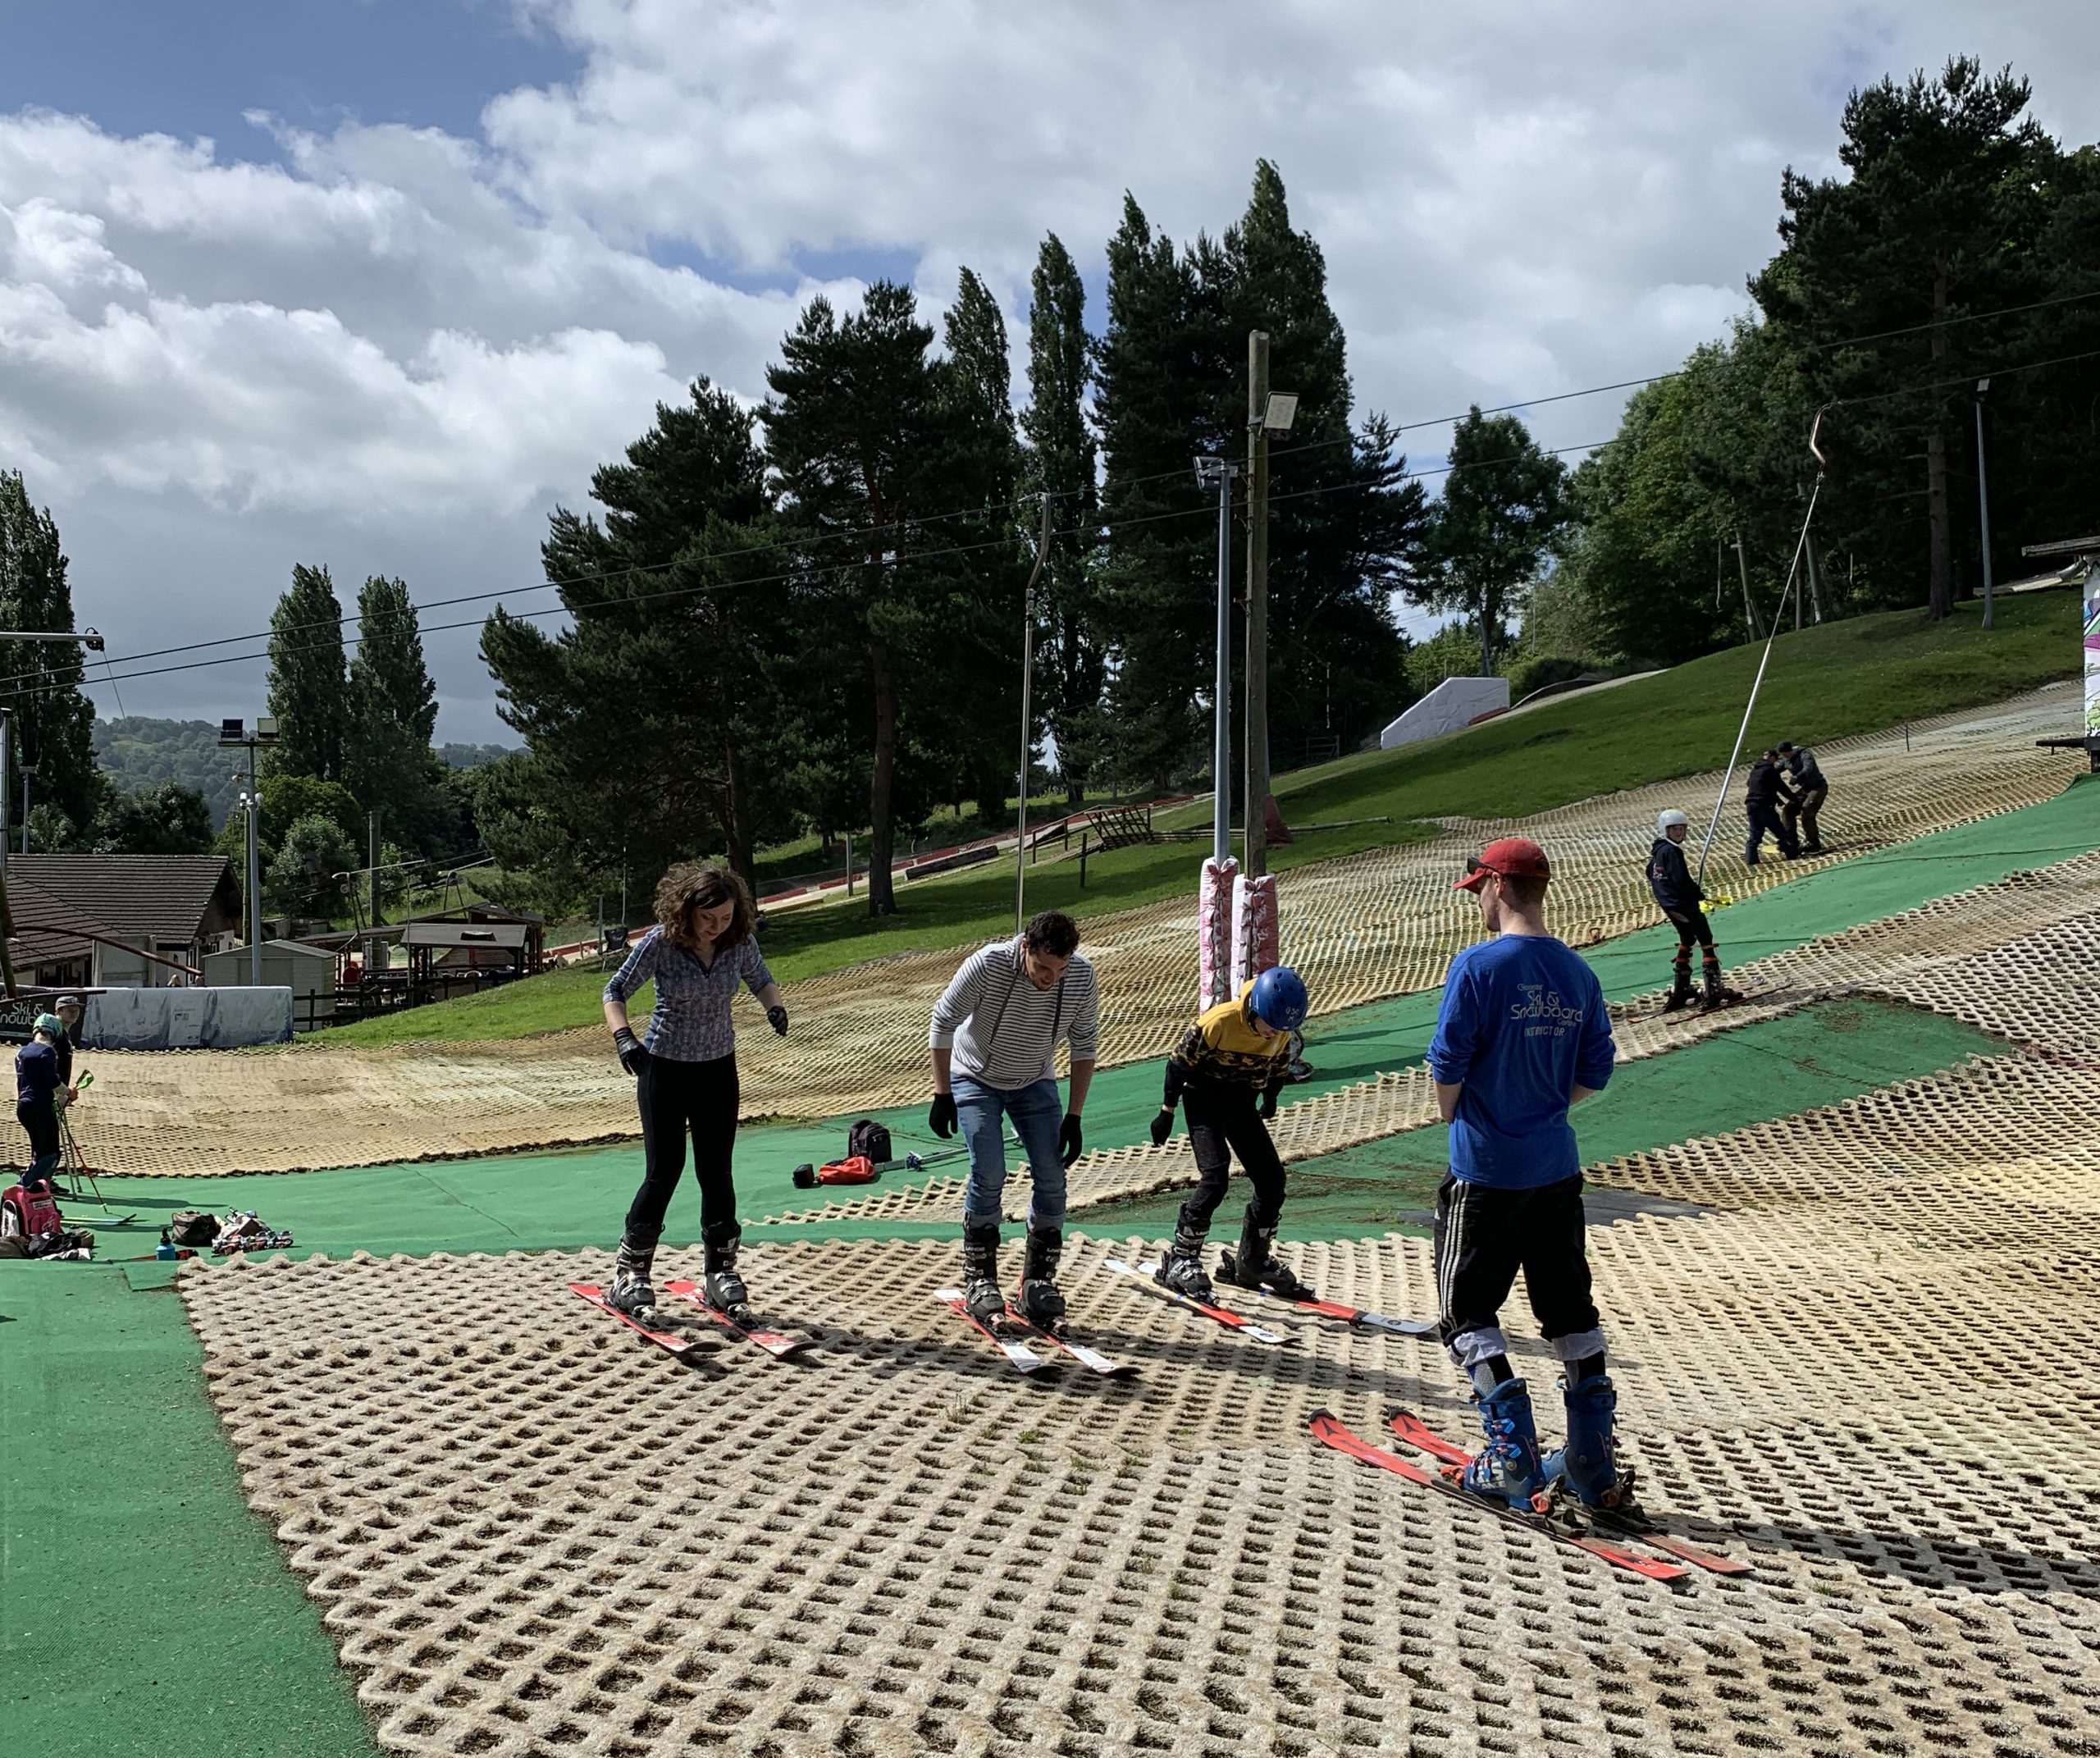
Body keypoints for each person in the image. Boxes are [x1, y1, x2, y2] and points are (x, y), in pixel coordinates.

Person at [1427, 837, 1625, 1511]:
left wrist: (1468, 1117)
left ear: (1498, 887)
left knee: (1466, 1312)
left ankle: (1513, 1459)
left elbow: (1447, 1064)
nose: (1476, 898)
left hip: (1485, 1171)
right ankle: (1593, 1464)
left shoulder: (1478, 966)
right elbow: (1595, 1070)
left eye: (1478, 887)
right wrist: (1540, 1108)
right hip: (1554, 1168)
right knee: (1569, 1308)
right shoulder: (1578, 972)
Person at [601, 864, 789, 1322]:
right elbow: (616, 989)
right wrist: (625, 1036)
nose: (716, 926)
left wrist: (775, 1006)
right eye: (708, 919)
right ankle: (630, 1274)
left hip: (717, 1068)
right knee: (665, 1169)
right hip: (664, 1067)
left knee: (716, 1170)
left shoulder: (738, 941)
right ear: (687, 912)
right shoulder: (663, 944)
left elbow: (760, 978)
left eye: (724, 917)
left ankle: (720, 1273)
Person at [929, 910, 1099, 1330]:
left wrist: (1074, 1115)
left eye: (1059, 969)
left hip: (1033, 1078)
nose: (1050, 978)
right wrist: (942, 1094)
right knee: (989, 1171)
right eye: (1042, 966)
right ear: (1025, 948)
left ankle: (1037, 1281)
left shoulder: (1079, 978)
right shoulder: (988, 965)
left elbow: (1084, 1046)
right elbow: (943, 1021)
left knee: (1052, 1175)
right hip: (975, 1076)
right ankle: (980, 1278)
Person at [1148, 966, 1316, 1302]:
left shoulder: (1278, 1030)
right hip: (1203, 1100)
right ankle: (1182, 1258)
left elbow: (1279, 1065)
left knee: (1272, 1181)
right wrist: (1167, 1111)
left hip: (1241, 1102)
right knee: (1215, 1178)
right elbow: (1178, 1064)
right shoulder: (1219, 1021)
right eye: (1270, 1027)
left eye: (1283, 1029)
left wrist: (1270, 1098)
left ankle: (1252, 1260)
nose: (1274, 1034)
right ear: (1255, 1010)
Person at [1646, 811, 1733, 1011]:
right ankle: (1714, 991)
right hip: (1682, 903)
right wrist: (1697, 894)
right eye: (1674, 829)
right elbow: (1681, 880)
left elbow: (1650, 872)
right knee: (1705, 939)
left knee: (1687, 938)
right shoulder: (1673, 852)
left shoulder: (1658, 851)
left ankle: (1681, 990)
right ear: (1664, 830)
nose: (1678, 832)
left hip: (1669, 904)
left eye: (1681, 829)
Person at [16, 1014, 73, 1193]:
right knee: (51, 1154)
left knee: (40, 1153)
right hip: (40, 1107)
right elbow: (53, 1082)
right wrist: (69, 1092)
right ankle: (24, 1190)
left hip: (24, 1107)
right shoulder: (48, 1052)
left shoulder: (22, 1052)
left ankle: (36, 1195)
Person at [1743, 748, 1800, 865]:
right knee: (1779, 831)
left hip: (1751, 804)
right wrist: (1794, 799)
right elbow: (1781, 787)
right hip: (1764, 805)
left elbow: (1754, 785)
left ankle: (1751, 858)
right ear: (1773, 758)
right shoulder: (1770, 770)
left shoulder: (1755, 770)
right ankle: (1791, 852)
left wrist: (1776, 799)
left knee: (1755, 832)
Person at [1776, 741, 1828, 854]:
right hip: (1805, 789)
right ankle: (1791, 841)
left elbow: (1808, 768)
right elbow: (1776, 769)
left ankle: (1813, 843)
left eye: (1786, 754)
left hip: (1817, 787)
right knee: (1788, 810)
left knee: (1807, 811)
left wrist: (1797, 777)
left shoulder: (1805, 755)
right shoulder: (1786, 760)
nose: (1784, 757)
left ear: (1790, 751)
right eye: (1782, 755)